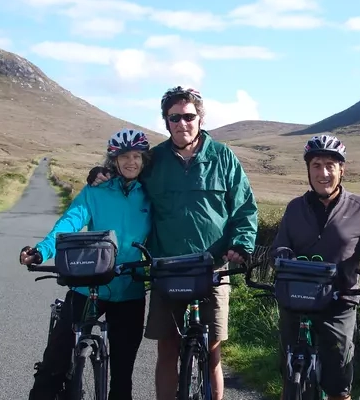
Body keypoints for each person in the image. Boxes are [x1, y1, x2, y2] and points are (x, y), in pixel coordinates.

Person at [86, 86, 258, 400]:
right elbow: (127, 175)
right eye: (174, 117)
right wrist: (102, 173)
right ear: (166, 122)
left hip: (213, 267)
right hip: (167, 267)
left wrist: (242, 244)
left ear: (200, 118)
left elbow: (245, 207)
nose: (182, 123)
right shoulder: (155, 160)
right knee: (168, 349)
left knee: (213, 353)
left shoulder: (223, 158)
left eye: (188, 116)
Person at [19, 129, 152, 400]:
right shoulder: (96, 190)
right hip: (88, 284)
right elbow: (70, 221)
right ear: (113, 160)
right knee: (56, 358)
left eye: (137, 156)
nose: (131, 162)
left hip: (129, 288)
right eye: (124, 156)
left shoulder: (150, 194)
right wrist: (42, 251)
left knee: (123, 374)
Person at [270, 133, 360, 400]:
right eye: (316, 165)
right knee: (290, 379)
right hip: (296, 301)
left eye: (330, 165)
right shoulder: (294, 208)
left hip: (339, 304)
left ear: (342, 169)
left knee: (339, 388)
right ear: (308, 169)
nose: (323, 173)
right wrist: (284, 257)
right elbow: (279, 247)